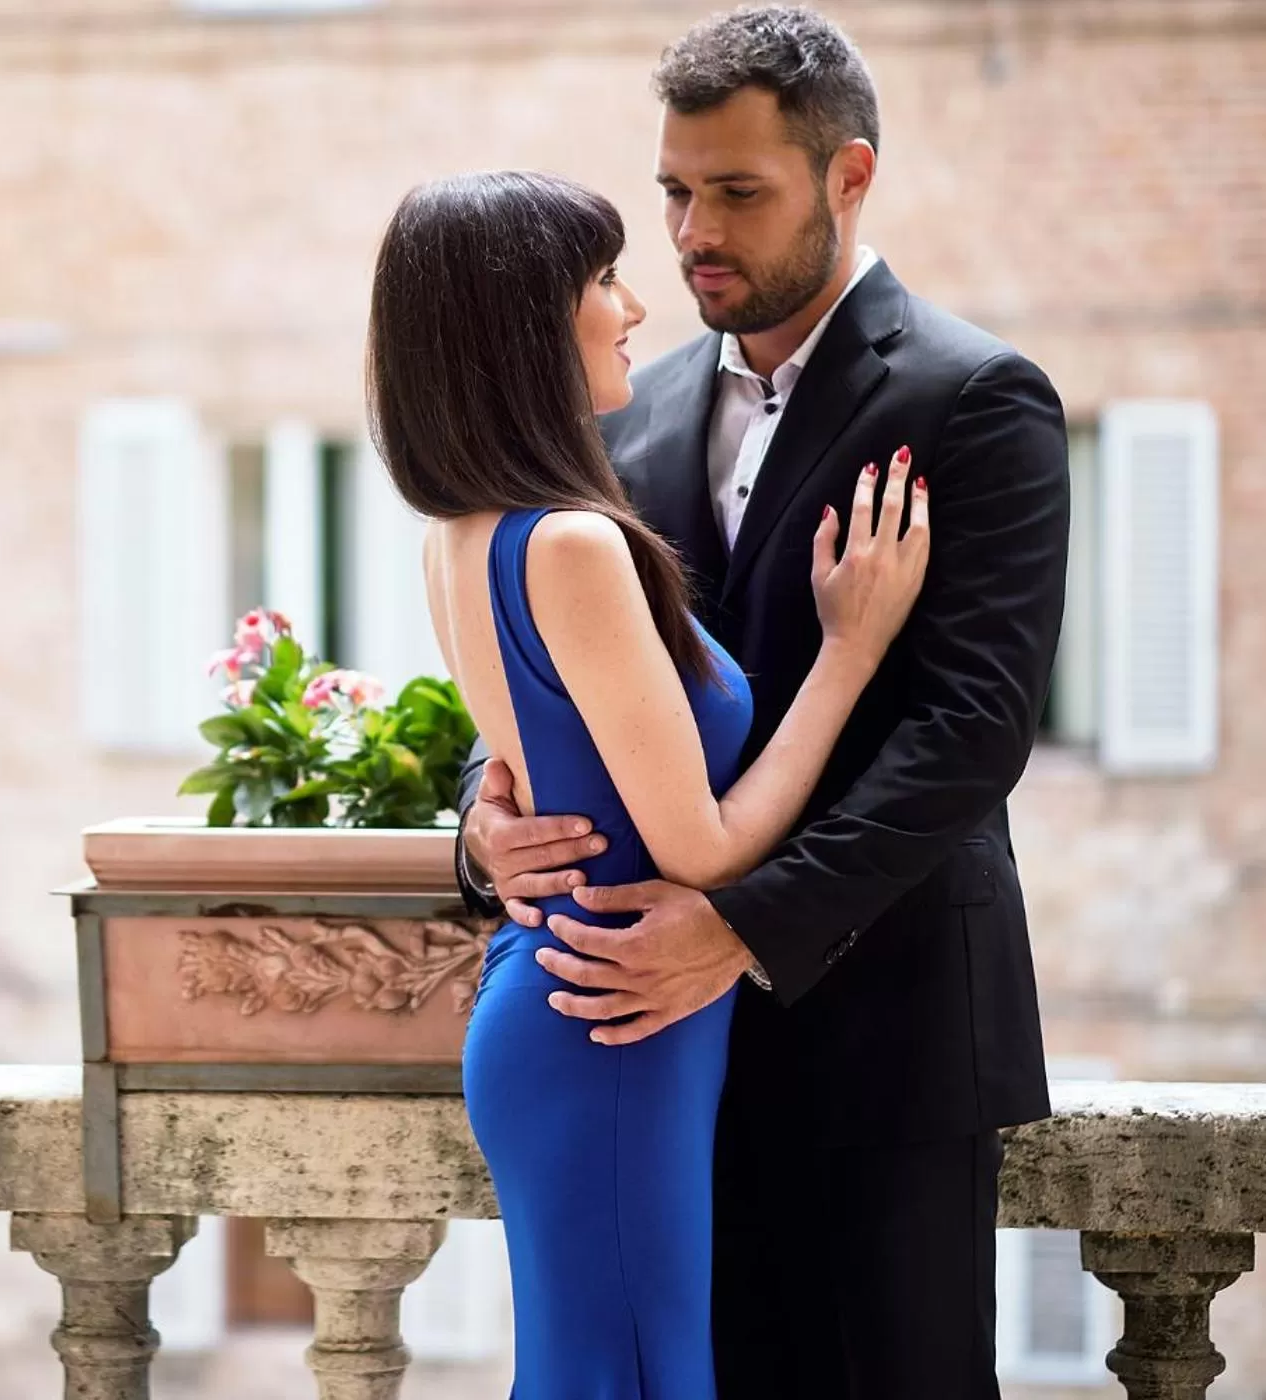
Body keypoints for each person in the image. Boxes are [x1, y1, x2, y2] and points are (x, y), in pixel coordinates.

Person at [452, 9, 1070, 1398]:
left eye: (739, 192)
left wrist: (737, 930)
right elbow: (548, 691)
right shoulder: (619, 415)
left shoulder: (979, 401)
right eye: (675, 190)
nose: (690, 231)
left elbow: (970, 731)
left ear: (848, 179)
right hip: (656, 1063)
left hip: (886, 1048)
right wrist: (480, 832)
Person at [370, 163, 929, 1394]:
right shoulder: (569, 544)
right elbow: (707, 849)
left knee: (611, 1367)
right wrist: (850, 652)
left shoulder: (458, 534)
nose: (634, 306)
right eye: (604, 278)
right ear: (525, 322)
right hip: (611, 1018)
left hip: (575, 1006)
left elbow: (532, 764)